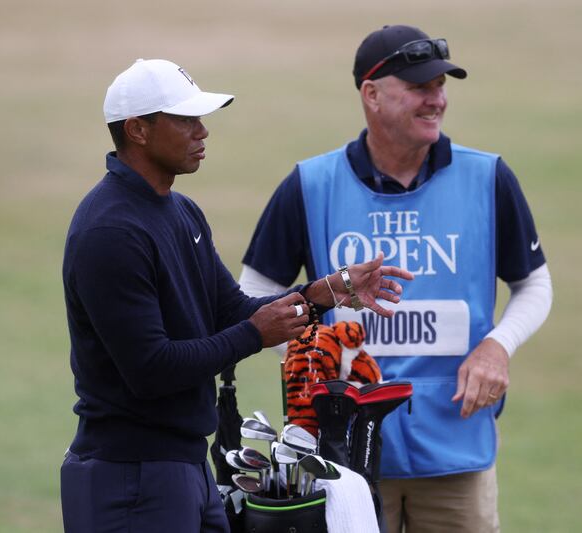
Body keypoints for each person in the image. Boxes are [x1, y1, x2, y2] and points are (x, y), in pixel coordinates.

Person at [59, 58, 414, 533]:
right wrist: (253, 334)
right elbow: (150, 370)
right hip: (131, 478)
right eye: (184, 120)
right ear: (138, 130)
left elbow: (233, 312)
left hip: (182, 467)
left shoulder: (181, 212)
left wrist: (325, 292)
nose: (202, 131)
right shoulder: (111, 232)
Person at [239, 25, 553, 532]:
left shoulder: (488, 178)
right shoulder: (310, 184)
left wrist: (498, 346)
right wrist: (307, 352)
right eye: (420, 88)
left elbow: (534, 285)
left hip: (457, 453)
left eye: (440, 87)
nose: (437, 100)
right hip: (342, 459)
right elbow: (254, 289)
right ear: (372, 94)